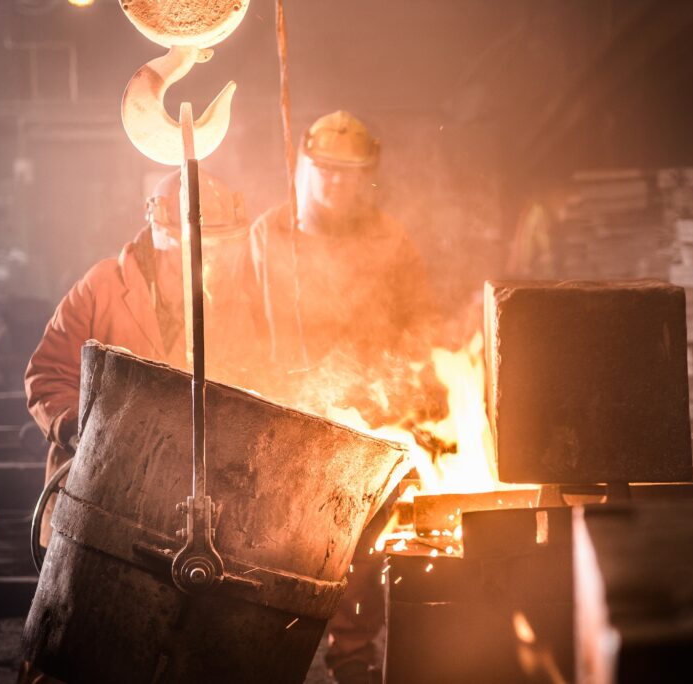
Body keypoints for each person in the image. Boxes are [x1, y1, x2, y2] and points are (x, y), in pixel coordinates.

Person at [241, 111, 440, 684]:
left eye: (347, 173)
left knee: (364, 550)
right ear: (303, 166)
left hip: (369, 420)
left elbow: (419, 320)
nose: (334, 182)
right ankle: (276, 659)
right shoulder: (269, 234)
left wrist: (418, 399)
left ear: (366, 177)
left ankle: (352, 659)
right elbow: (244, 320)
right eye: (323, 169)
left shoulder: (389, 239)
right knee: (283, 551)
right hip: (289, 416)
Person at [24, 169, 251, 546]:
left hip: (178, 507)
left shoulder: (229, 305)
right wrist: (81, 434)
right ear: (162, 239)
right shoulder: (103, 287)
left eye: (216, 248)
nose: (207, 261)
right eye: (196, 249)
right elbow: (47, 375)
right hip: (94, 495)